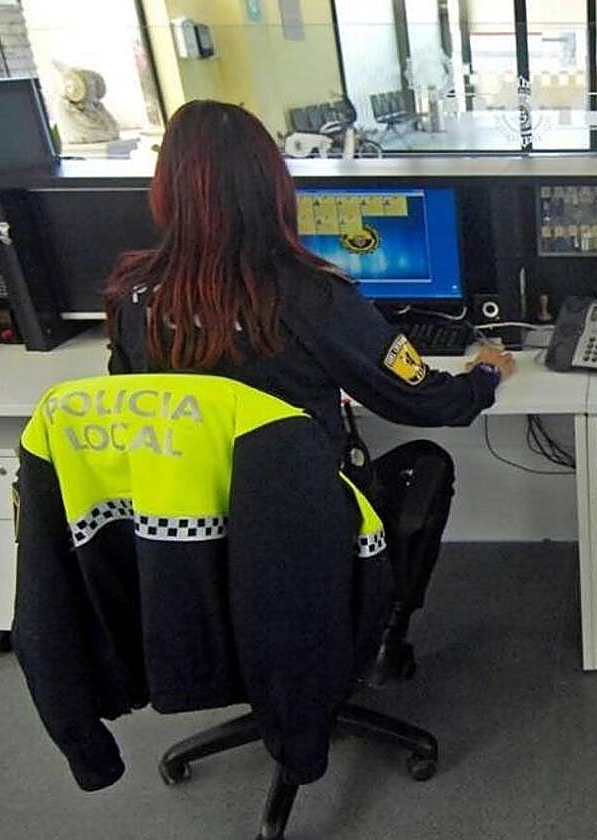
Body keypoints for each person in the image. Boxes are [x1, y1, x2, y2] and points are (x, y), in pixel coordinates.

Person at [103, 100, 515, 684]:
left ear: (166, 189)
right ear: (274, 187)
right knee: (426, 464)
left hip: (193, 532)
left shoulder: (132, 296)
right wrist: (486, 373)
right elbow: (429, 402)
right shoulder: (310, 295)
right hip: (305, 525)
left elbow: (135, 405)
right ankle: (379, 637)